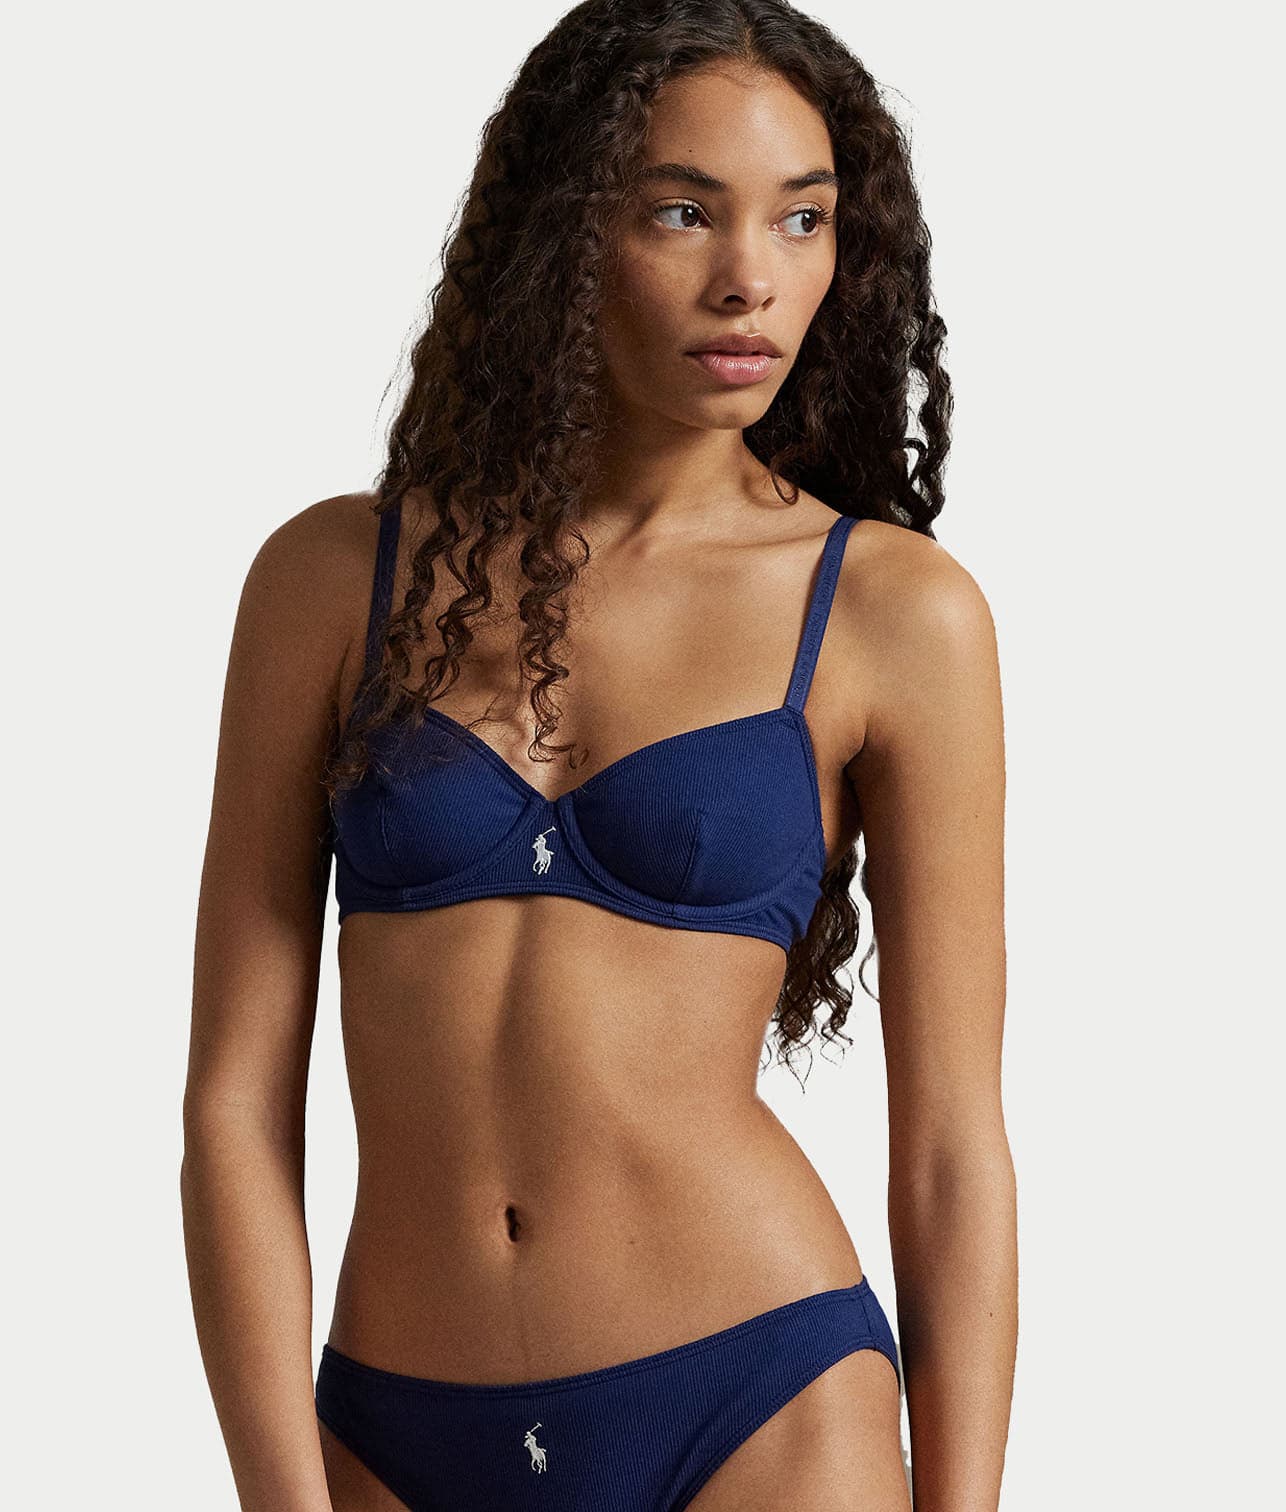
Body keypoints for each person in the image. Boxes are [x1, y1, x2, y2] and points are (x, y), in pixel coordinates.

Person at [180, 2, 1016, 1509]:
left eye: (803, 218)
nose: (750, 277)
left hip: (761, 1401)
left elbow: (951, 1146)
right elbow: (234, 1106)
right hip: (392, 1424)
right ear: (563, 235)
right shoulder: (333, 582)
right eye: (682, 212)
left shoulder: (891, 612)